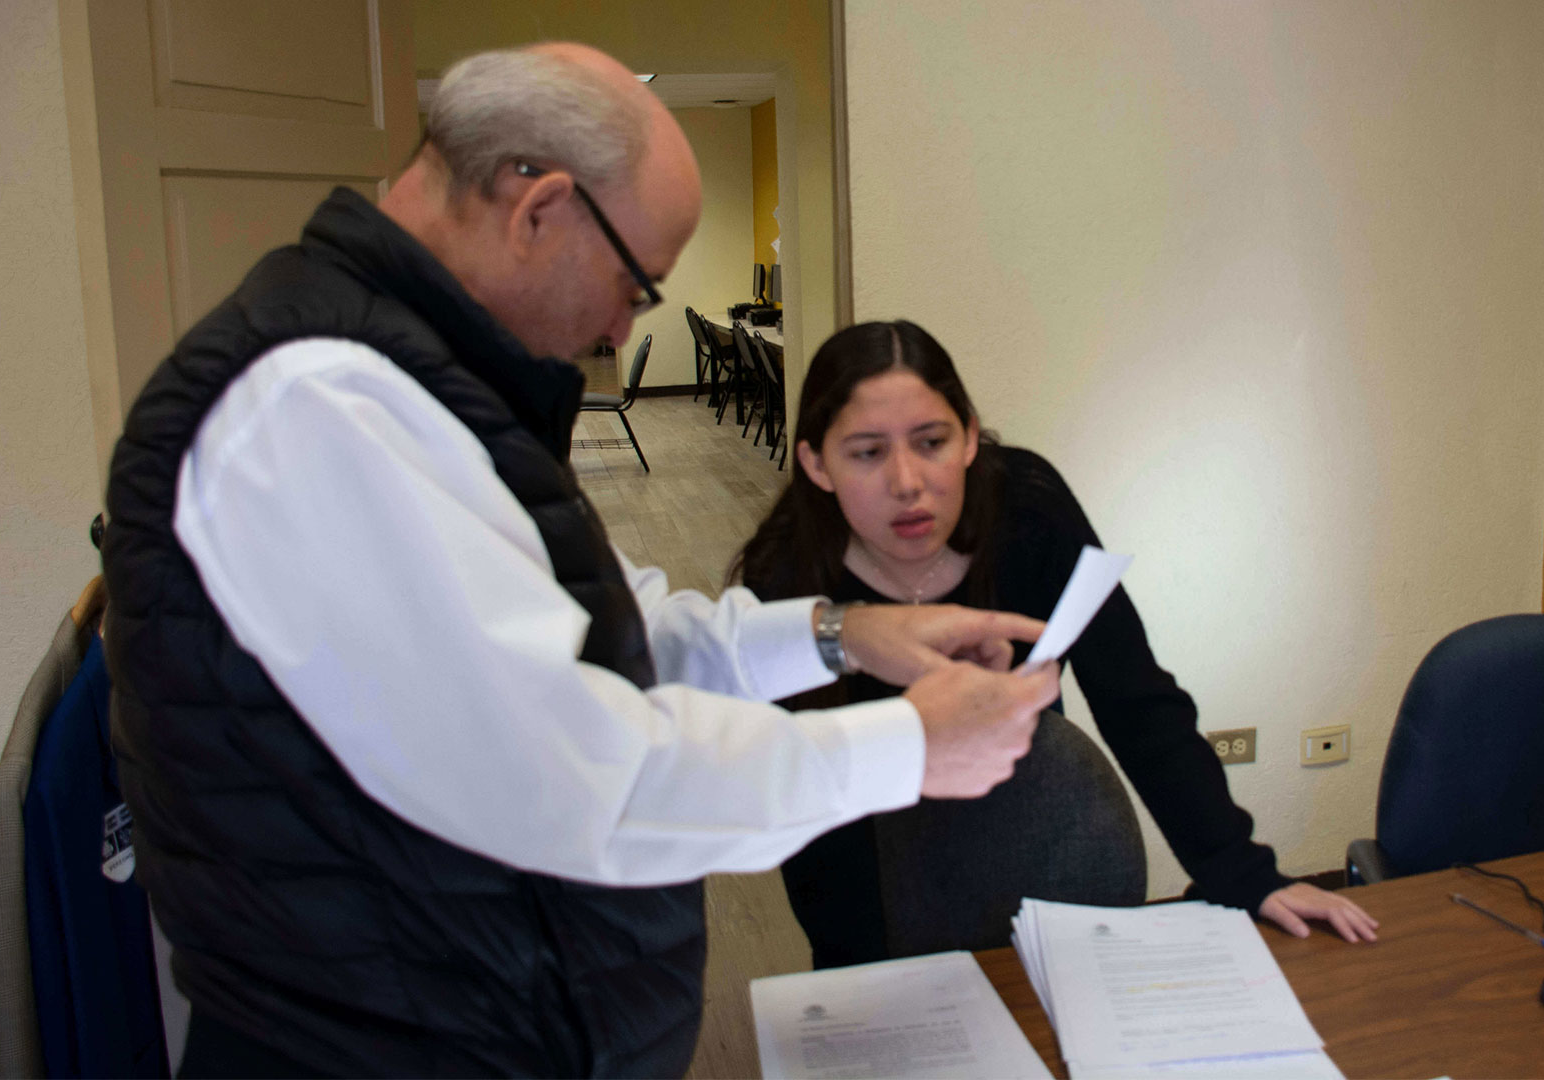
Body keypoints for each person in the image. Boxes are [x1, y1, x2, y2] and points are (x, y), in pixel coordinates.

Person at [101, 46, 1058, 1078]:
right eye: (635, 284)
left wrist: (838, 634)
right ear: (540, 209)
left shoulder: (423, 382)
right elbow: (579, 772)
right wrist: (906, 749)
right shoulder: (322, 407)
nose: (620, 324)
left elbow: (604, 635)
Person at [734, 321, 1380, 967]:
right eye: (867, 453)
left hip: (1031, 812)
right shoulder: (789, 586)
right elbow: (800, 808)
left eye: (932, 442)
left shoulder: (1028, 512)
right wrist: (857, 971)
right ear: (817, 462)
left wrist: (1242, 872)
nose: (907, 481)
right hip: (862, 859)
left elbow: (1137, 700)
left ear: (967, 434)